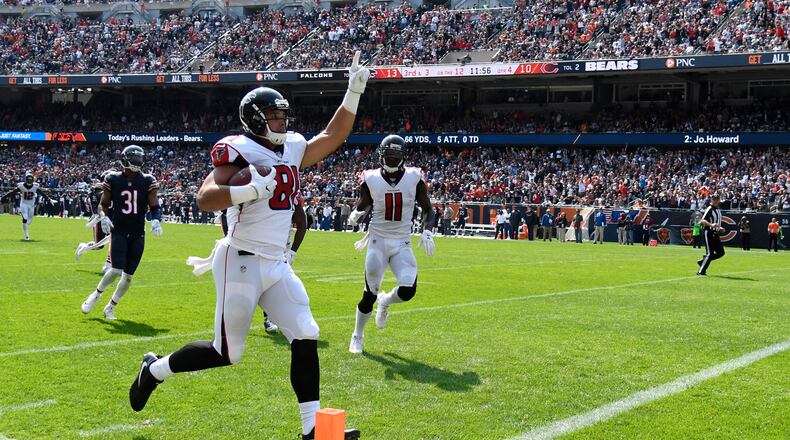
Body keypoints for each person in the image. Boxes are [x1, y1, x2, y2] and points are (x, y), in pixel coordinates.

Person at [129, 55, 369, 440]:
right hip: (240, 259)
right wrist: (248, 189)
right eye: (275, 116)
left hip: (276, 262)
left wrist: (353, 92)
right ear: (256, 118)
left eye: (283, 116)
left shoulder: (290, 147)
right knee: (227, 352)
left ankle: (311, 429)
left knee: (306, 332)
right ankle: (153, 370)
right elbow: (206, 198)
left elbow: (331, 138)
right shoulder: (237, 149)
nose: (283, 123)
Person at [346, 134, 435, 355]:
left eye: (396, 155)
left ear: (403, 157)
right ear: (381, 156)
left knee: (408, 290)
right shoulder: (370, 178)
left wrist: (427, 231)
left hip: (402, 242)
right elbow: (364, 204)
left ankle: (386, 301)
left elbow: (428, 209)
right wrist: (357, 214)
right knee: (369, 294)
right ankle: (357, 334)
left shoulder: (415, 178)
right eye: (389, 155)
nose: (392, 159)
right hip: (377, 241)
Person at [81, 145, 163, 320]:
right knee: (116, 270)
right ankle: (95, 295)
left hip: (137, 232)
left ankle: (110, 307)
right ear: (125, 160)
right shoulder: (113, 179)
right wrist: (103, 217)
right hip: (118, 230)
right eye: (134, 158)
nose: (137, 162)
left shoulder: (148, 180)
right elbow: (103, 205)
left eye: (139, 158)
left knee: (128, 277)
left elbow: (155, 206)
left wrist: (156, 219)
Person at [75, 177, 114, 273]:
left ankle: (108, 265)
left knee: (114, 240)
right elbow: (100, 199)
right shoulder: (99, 190)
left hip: (112, 219)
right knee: (99, 245)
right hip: (100, 220)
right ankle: (83, 247)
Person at [2, 171, 53, 240]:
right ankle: (26, 235)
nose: (29, 181)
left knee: (29, 221)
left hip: (31, 205)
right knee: (25, 218)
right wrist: (4, 197)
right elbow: (12, 192)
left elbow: (42, 193)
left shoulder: (35, 186)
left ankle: (26, 229)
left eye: (30, 180)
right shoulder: (21, 186)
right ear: (26, 180)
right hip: (24, 204)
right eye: (28, 180)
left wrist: (49, 199)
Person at [697, 194, 725, 276]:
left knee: (721, 253)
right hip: (708, 232)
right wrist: (711, 225)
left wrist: (719, 228)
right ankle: (700, 272)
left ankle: (703, 261)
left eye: (717, 199)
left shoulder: (718, 209)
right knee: (710, 253)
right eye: (714, 199)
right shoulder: (710, 209)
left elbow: (717, 222)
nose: (715, 201)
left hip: (716, 233)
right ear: (712, 200)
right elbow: (702, 221)